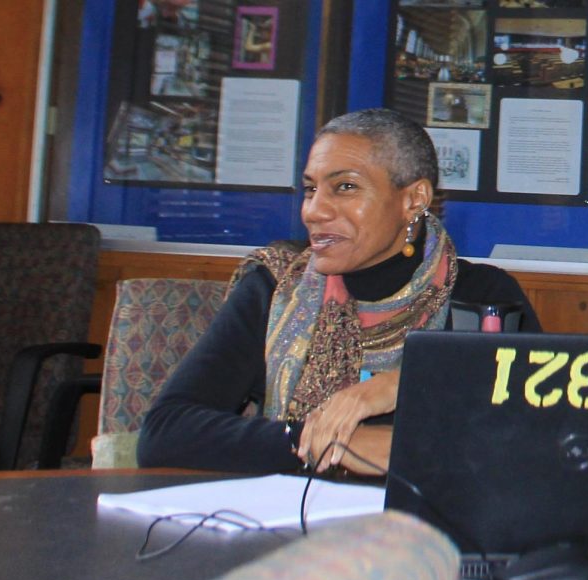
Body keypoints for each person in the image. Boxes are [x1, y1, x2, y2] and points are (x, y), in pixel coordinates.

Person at [137, 108, 541, 476]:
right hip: (293, 533)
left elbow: (534, 438)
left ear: (414, 199)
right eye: (311, 189)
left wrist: (406, 388)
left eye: (345, 187)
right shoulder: (276, 287)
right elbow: (166, 432)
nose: (313, 211)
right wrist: (315, 440)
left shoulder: (481, 297)